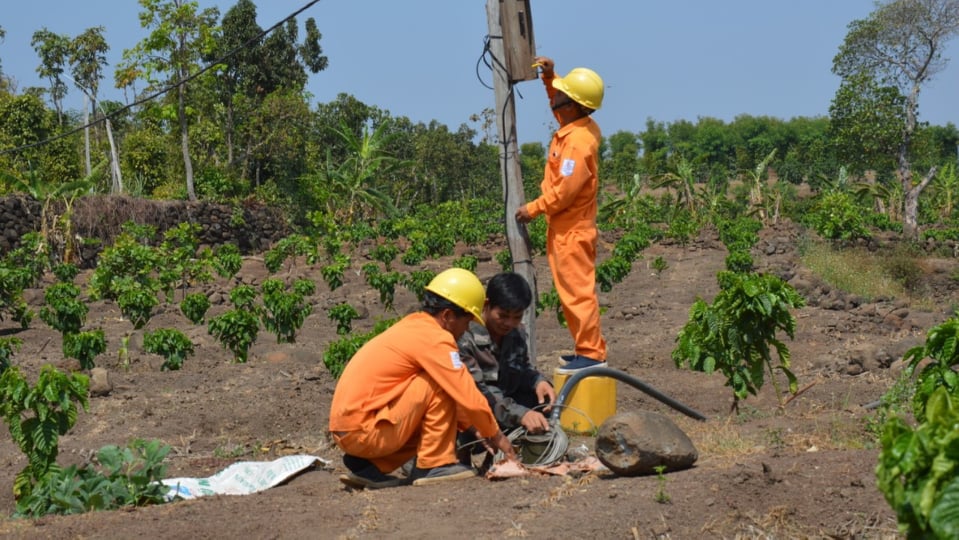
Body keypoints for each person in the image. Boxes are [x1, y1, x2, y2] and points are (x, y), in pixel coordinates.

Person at [328, 268, 520, 489]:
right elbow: (466, 393)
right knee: (442, 382)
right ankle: (434, 464)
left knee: (434, 392)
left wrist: (473, 428)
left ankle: (370, 466)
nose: (466, 331)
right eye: (466, 322)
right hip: (365, 431)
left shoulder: (415, 326)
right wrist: (497, 437)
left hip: (351, 431)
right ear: (448, 316)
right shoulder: (436, 338)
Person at [515, 56, 608, 371]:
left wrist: (533, 209)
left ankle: (592, 353)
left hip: (572, 232)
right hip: (566, 229)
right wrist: (549, 76)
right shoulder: (577, 125)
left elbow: (565, 192)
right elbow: (559, 96)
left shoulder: (577, 144)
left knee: (578, 294)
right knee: (571, 294)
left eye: (559, 94)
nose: (553, 97)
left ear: (570, 106)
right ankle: (585, 348)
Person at [457, 272, 556, 435]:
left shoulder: (515, 333)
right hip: (474, 413)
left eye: (517, 317)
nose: (509, 323)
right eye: (502, 316)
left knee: (542, 401)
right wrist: (521, 414)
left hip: (504, 407)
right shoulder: (465, 337)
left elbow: (521, 368)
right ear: (486, 305)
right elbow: (480, 393)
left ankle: (531, 452)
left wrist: (538, 382)